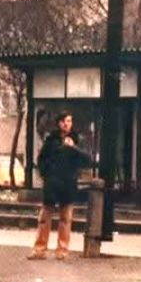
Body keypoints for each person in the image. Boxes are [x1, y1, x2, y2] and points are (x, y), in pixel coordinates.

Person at [29, 111, 91, 260]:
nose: (68, 124)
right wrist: (47, 175)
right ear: (59, 123)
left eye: (70, 121)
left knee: (66, 218)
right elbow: (41, 159)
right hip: (52, 183)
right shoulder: (51, 140)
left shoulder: (76, 140)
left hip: (68, 183)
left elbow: (86, 160)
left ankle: (62, 249)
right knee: (44, 217)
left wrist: (73, 148)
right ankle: (40, 249)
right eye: (65, 121)